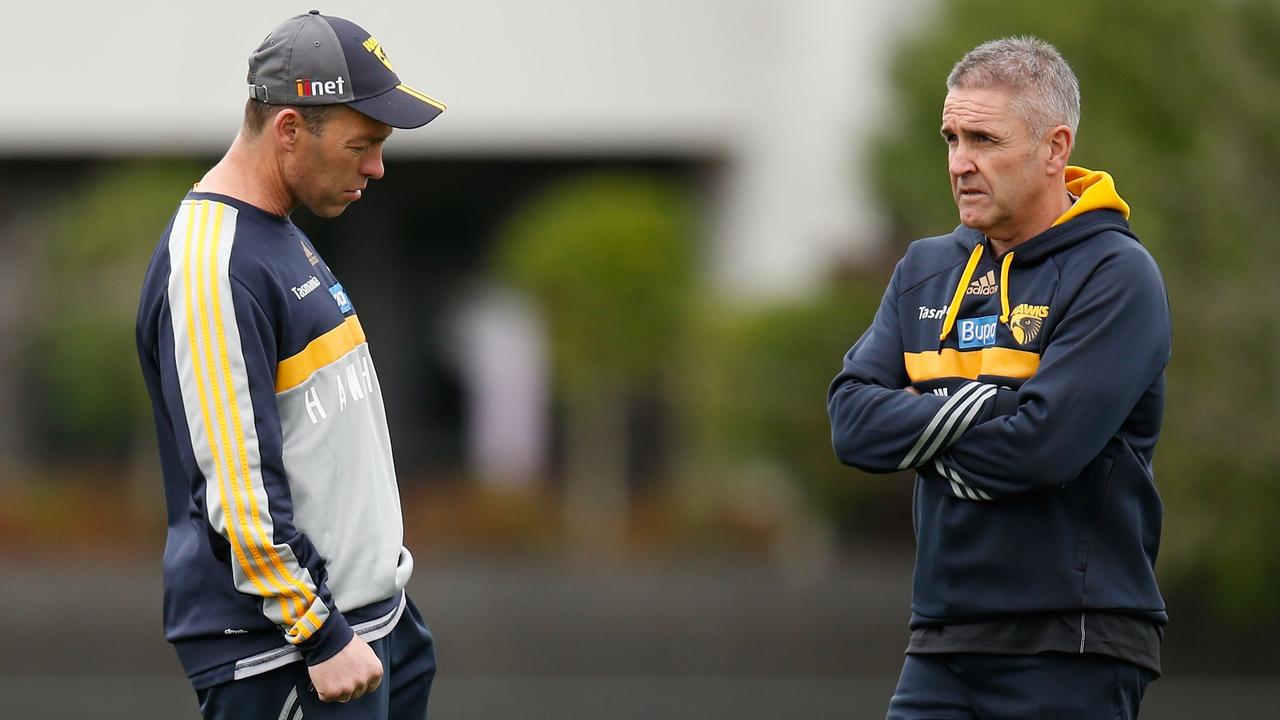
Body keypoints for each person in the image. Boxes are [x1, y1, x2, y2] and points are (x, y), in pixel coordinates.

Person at [827, 36, 1170, 719]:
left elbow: (1040, 449)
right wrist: (996, 406)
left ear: (1054, 148)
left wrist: (924, 425)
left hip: (1073, 641)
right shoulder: (925, 269)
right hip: (940, 639)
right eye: (952, 138)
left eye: (984, 139)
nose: (960, 163)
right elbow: (850, 424)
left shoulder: (1116, 274)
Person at [135, 11, 447, 719]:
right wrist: (320, 633)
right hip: (292, 654)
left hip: (370, 626)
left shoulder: (273, 232)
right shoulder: (215, 263)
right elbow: (237, 487)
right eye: (361, 145)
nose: (376, 167)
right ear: (288, 131)